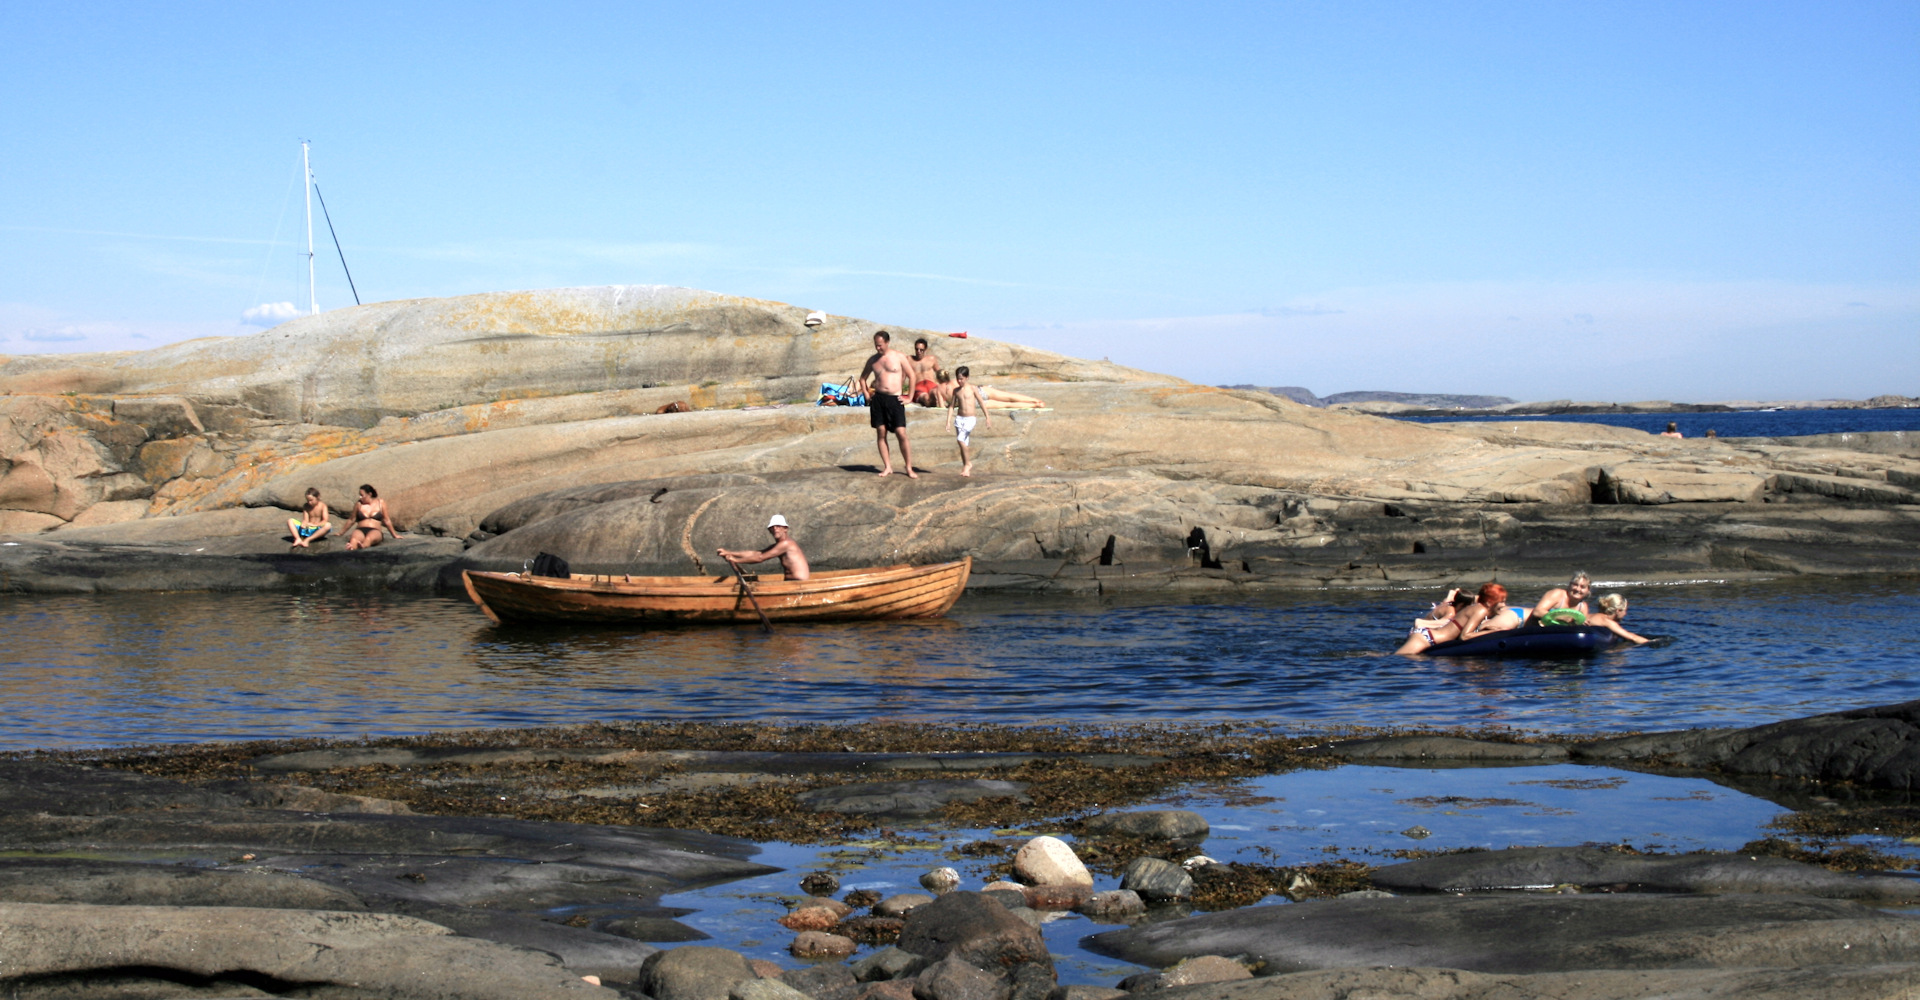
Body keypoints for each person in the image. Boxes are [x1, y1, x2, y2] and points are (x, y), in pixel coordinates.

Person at [858, 330, 918, 478]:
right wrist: (866, 393)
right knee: (881, 432)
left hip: (895, 399)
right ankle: (887, 467)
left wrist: (909, 397)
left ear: (887, 342)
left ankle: (909, 467)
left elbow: (912, 375)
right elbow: (862, 378)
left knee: (901, 433)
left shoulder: (899, 356)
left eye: (880, 345)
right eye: (876, 346)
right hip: (878, 399)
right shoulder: (873, 360)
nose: (878, 348)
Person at [716, 514, 811, 581]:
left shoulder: (786, 544)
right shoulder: (778, 545)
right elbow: (757, 553)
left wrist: (735, 560)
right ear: (769, 530)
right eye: (772, 527)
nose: (775, 529)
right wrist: (729, 553)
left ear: (785, 528)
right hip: (790, 583)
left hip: (799, 584)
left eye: (778, 526)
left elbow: (760, 558)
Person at [1394, 586, 1481, 654]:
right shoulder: (1451, 613)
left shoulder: (1448, 603)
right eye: (1467, 606)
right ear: (1461, 605)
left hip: (1416, 633)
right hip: (1419, 633)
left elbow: (1452, 595)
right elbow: (1443, 625)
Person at [945, 366, 992, 477]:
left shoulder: (972, 389)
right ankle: (966, 468)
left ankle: (968, 464)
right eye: (957, 379)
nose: (959, 381)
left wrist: (987, 418)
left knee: (960, 440)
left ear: (967, 378)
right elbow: (951, 406)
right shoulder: (956, 391)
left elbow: (981, 402)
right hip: (959, 419)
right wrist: (948, 421)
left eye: (961, 378)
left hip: (970, 419)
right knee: (963, 444)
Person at [345, 484, 402, 551]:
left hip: (375, 530)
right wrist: (340, 533)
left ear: (369, 494)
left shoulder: (380, 503)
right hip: (360, 529)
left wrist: (394, 535)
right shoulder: (358, 504)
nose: (360, 497)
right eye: (359, 495)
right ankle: (351, 548)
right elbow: (352, 520)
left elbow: (386, 520)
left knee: (368, 539)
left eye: (362, 495)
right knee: (354, 539)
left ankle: (363, 546)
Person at [1587, 592, 1652, 644]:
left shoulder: (1591, 615)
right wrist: (1652, 643)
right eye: (1625, 610)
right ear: (1618, 611)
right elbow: (1632, 637)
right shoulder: (1608, 622)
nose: (1625, 614)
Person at [909, 337, 942, 404]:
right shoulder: (909, 359)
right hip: (919, 386)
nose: (918, 352)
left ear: (925, 350)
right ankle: (929, 401)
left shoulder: (931, 359)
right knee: (925, 398)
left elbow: (940, 374)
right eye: (917, 349)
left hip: (931, 385)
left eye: (921, 350)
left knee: (936, 394)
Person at [978, 385, 1047, 409]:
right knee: (1009, 396)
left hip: (972, 402)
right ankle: (1034, 400)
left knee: (1007, 405)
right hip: (978, 391)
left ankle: (1035, 405)